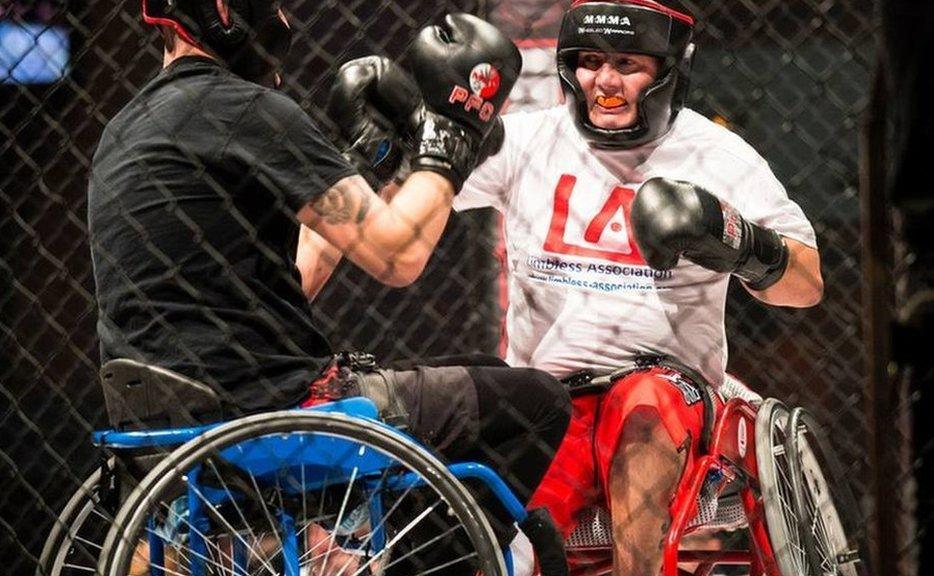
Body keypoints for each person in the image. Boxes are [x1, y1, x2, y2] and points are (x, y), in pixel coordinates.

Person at [88, 1, 569, 573]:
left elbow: (299, 278)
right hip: (272, 418)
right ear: (226, 10)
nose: (284, 19)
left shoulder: (124, 131)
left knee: (478, 370)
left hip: (164, 426)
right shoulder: (246, 111)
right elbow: (398, 255)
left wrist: (365, 161)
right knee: (536, 403)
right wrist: (451, 137)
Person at [448, 1, 824, 574]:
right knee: (505, 546)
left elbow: (807, 284)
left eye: (627, 63)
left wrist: (742, 242)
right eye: (590, 61)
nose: (605, 82)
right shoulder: (526, 141)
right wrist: (414, 136)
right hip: (550, 398)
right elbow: (419, 199)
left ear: (671, 68)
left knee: (643, 410)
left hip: (667, 386)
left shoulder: (716, 155)